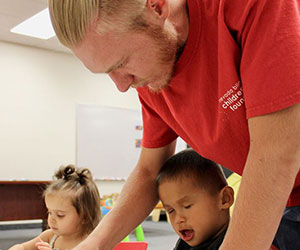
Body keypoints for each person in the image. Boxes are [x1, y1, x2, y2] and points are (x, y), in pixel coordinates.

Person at [48, 0, 300, 249]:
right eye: (108, 72)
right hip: (282, 200)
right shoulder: (151, 76)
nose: (122, 85)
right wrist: (93, 245)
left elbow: (276, 153)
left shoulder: (250, 6)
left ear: (157, 7)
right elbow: (149, 170)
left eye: (122, 62)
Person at [9, 165, 101, 250]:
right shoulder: (50, 236)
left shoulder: (89, 243)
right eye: (49, 212)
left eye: (60, 215)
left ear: (84, 216)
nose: (51, 220)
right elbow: (23, 247)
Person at [156, 149, 234, 250]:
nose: (178, 219)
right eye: (171, 211)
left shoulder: (240, 241)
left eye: (187, 206)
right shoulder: (184, 245)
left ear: (225, 199)